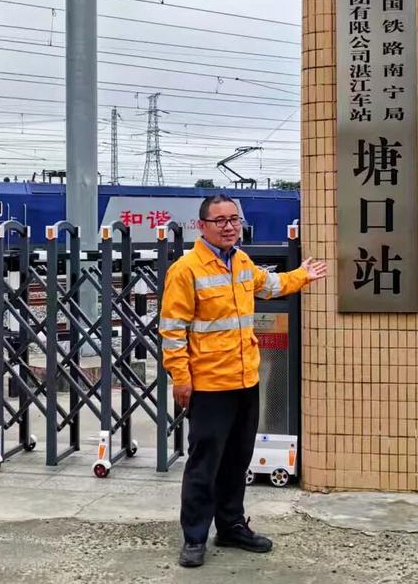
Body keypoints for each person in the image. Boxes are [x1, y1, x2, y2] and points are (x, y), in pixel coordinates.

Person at [159, 194, 327, 568]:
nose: (229, 226)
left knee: (237, 461)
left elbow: (270, 285)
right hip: (209, 385)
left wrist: (303, 275)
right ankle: (194, 537)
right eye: (220, 221)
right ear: (202, 226)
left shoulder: (241, 261)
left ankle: (232, 526)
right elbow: (172, 331)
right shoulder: (186, 270)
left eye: (234, 219)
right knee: (205, 464)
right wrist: (181, 378)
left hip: (245, 379)